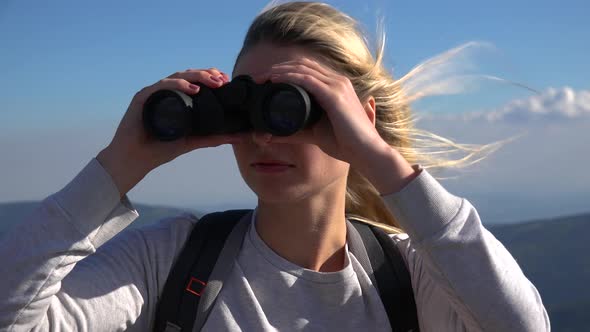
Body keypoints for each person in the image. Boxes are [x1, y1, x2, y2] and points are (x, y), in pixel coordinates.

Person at [0, 2, 549, 331]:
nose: (263, 132)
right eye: (247, 106)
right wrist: (121, 162)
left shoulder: (410, 277)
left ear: (357, 117)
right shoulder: (171, 261)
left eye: (294, 108)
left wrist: (380, 157)